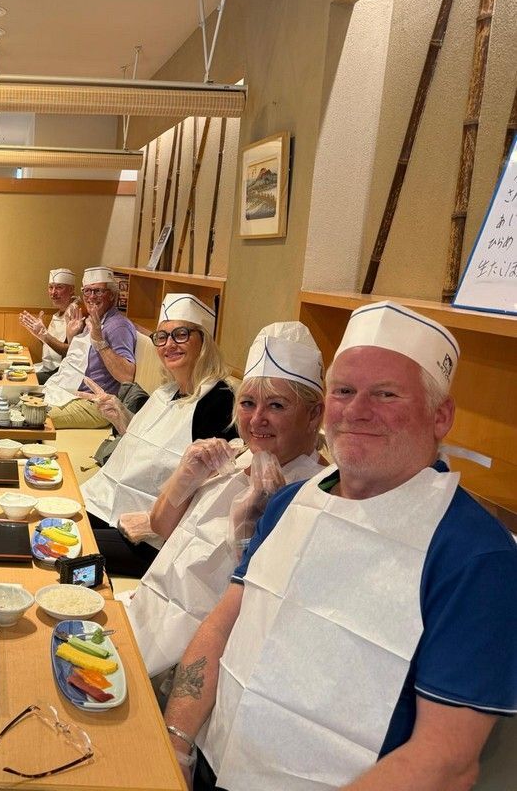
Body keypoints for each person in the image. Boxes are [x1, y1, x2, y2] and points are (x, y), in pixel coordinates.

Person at [164, 301, 517, 791]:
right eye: (344, 391)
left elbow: (447, 761)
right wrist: (175, 743)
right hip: (213, 762)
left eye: (386, 394)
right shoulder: (291, 501)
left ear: (441, 416)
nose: (355, 410)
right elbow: (221, 625)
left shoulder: (477, 556)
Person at [117, 322, 325, 691]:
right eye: (247, 403)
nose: (256, 419)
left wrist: (256, 532)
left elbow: (273, 617)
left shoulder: (317, 492)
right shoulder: (231, 455)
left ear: (314, 415)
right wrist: (184, 477)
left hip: (204, 659)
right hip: (148, 608)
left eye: (276, 405)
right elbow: (161, 528)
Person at [79, 293, 236, 577]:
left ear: (204, 341)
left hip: (156, 538)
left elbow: (216, 486)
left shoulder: (219, 400)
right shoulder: (168, 391)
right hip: (112, 505)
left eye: (180, 334)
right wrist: (120, 415)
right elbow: (150, 447)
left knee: (70, 547)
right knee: (52, 520)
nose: (169, 344)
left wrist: (153, 523)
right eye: (161, 337)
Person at [41, 266, 137, 429]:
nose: (92, 296)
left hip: (96, 405)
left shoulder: (118, 326)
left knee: (33, 416)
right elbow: (78, 362)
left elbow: (126, 376)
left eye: (98, 291)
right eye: (87, 291)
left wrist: (100, 342)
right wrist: (72, 337)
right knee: (15, 401)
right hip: (71, 393)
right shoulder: (93, 320)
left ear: (112, 295)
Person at [18, 267, 85, 384]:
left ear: (71, 290)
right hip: (48, 367)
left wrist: (44, 335)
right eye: (51, 287)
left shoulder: (75, 311)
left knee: (19, 380)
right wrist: (38, 334)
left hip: (62, 373)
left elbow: (69, 352)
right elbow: (51, 344)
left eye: (59, 287)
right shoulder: (59, 312)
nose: (53, 293)